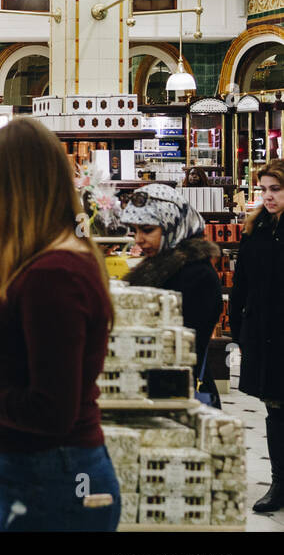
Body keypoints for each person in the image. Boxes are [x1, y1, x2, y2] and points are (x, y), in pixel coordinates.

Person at [0, 117, 120, 531]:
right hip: (40, 472)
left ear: (13, 193)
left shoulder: (53, 275)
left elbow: (50, 410)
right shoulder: (46, 264)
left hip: (51, 476)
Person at [121, 183, 223, 407]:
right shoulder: (160, 266)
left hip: (177, 393)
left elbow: (185, 347)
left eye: (147, 230)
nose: (138, 239)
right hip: (157, 388)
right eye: (134, 230)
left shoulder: (195, 275)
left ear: (172, 226)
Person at [229, 159, 284, 513]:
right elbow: (242, 285)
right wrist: (239, 329)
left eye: (275, 189)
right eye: (263, 189)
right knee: (274, 410)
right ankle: (279, 482)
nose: (268, 196)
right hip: (264, 336)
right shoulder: (256, 230)